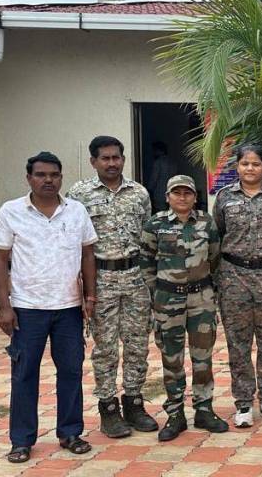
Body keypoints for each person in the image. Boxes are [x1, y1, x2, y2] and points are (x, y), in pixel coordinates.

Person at [0, 152, 98, 463]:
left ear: (61, 178)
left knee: (71, 371)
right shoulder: (11, 211)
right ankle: (21, 441)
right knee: (24, 374)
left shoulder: (76, 211)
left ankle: (70, 432)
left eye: (54, 174)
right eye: (41, 174)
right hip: (27, 309)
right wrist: (4, 307)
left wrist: (89, 297)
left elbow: (88, 255)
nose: (48, 180)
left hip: (68, 309)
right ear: (29, 178)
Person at [66, 136, 157, 438]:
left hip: (135, 278)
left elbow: (147, 239)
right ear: (93, 161)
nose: (112, 163)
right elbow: (70, 242)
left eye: (116, 157)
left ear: (123, 159)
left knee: (137, 345)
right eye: (105, 158)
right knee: (105, 348)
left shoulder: (139, 193)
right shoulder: (79, 194)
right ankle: (108, 408)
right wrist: (81, 288)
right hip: (100, 280)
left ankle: (133, 401)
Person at [141, 175, 229, 441]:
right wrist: (157, 294)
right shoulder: (155, 224)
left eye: (187, 193)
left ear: (194, 196)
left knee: (202, 356)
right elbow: (146, 263)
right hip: (168, 300)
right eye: (176, 193)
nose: (182, 197)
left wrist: (209, 290)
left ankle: (204, 409)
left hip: (200, 299)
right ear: (167, 196)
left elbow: (215, 257)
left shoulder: (206, 222)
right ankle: (175, 413)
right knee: (172, 358)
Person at [213, 144, 262, 427]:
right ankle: (244, 403)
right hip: (234, 276)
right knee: (238, 344)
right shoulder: (224, 197)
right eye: (245, 163)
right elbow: (219, 232)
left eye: (256, 164)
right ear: (237, 167)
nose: (250, 169)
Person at [147, 141, 177, 213]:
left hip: (160, 194)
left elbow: (154, 179)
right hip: (172, 192)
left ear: (158, 150)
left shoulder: (158, 162)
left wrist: (149, 190)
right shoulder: (172, 161)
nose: (153, 153)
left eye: (154, 150)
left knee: (161, 214)